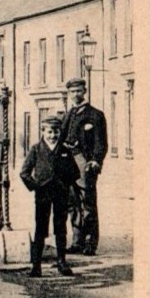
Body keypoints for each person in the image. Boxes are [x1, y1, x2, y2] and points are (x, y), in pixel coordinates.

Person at [20, 115, 79, 277]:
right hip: (43, 195)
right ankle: (36, 265)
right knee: (40, 228)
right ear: (43, 131)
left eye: (56, 132)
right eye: (50, 132)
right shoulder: (36, 149)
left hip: (61, 194)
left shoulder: (65, 150)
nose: (53, 135)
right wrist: (36, 186)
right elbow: (24, 173)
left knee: (60, 227)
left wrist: (65, 184)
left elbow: (75, 172)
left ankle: (62, 262)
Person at [61, 77, 108, 255]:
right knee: (72, 203)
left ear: (85, 92)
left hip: (84, 162)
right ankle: (77, 241)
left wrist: (96, 160)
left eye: (78, 91)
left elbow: (101, 142)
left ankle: (90, 243)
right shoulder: (69, 115)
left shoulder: (95, 115)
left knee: (88, 204)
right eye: (72, 92)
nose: (75, 94)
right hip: (69, 161)